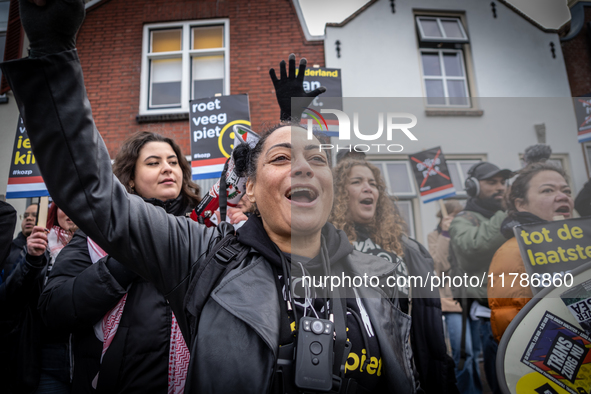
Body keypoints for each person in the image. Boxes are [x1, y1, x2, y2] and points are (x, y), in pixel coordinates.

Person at [2, 3, 418, 392]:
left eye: (316, 158)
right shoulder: (199, 254)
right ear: (248, 189)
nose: (304, 167)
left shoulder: (384, 276)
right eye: (280, 158)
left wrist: (293, 121)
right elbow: (93, 193)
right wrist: (53, 50)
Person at [38, 131, 201, 393]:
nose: (168, 169)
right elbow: (53, 308)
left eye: (174, 162)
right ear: (132, 180)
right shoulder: (100, 234)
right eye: (153, 162)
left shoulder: (203, 231)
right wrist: (120, 267)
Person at [330, 159, 458, 394]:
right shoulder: (328, 247)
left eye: (373, 183)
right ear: (338, 193)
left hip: (407, 364)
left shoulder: (405, 248)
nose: (368, 188)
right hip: (358, 367)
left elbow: (424, 320)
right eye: (356, 182)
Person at [488, 163, 573, 342]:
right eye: (547, 191)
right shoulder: (513, 252)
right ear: (521, 205)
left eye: (567, 191)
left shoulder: (581, 244)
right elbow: (513, 330)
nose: (563, 197)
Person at [449, 161, 513, 394]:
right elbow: (472, 249)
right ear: (473, 186)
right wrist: (507, 214)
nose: (500, 187)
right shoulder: (464, 219)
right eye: (491, 182)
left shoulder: (509, 214)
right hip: (488, 314)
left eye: (503, 182)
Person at [0, 202, 77, 394]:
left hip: (87, 356)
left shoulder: (101, 248)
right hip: (44, 357)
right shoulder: (39, 245)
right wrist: (32, 260)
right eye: (63, 204)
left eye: (76, 203)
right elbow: (11, 298)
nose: (69, 210)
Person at [428, 201, 483, 394]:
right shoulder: (435, 236)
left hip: (474, 299)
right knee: (463, 353)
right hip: (452, 302)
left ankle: (476, 390)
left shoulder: (469, 232)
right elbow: (439, 265)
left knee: (477, 354)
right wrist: (445, 234)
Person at [2, 204, 38, 282]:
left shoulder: (50, 250)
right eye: (25, 216)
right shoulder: (9, 247)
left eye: (35, 215)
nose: (28, 218)